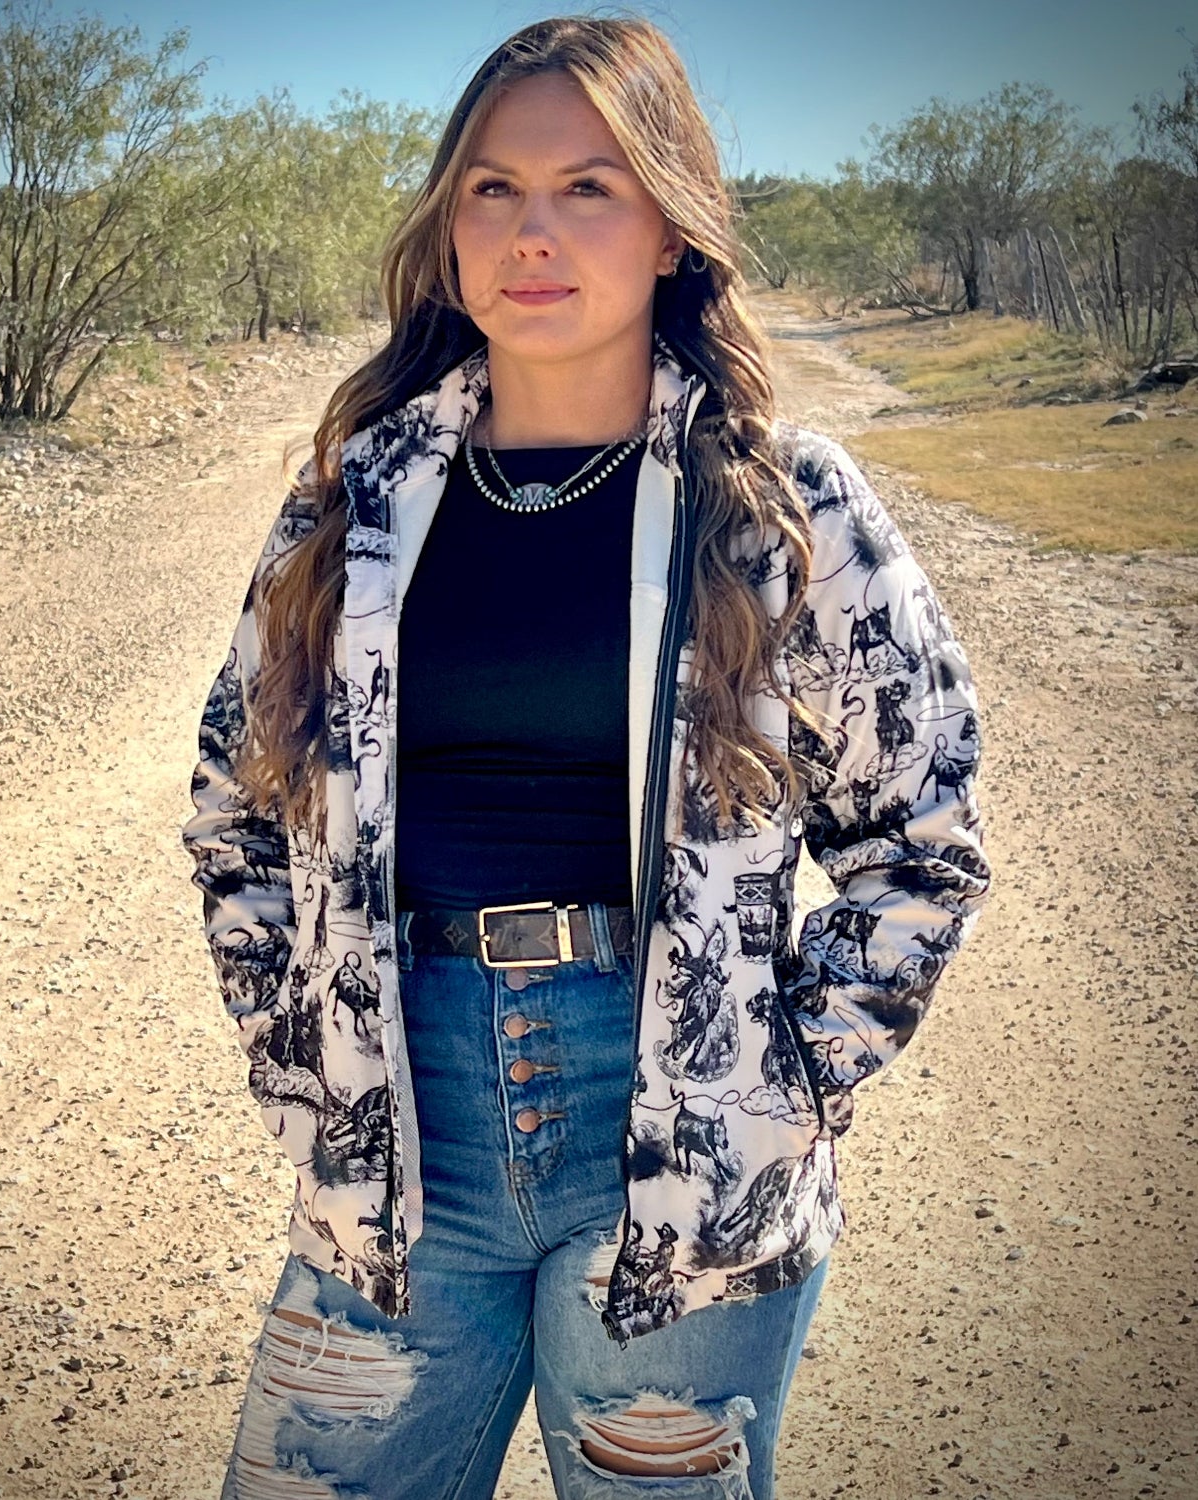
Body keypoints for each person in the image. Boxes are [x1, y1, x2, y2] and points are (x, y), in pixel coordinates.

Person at [181, 15, 991, 1499]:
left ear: (672, 230)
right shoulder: (356, 500)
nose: (532, 233)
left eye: (588, 188)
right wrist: (297, 1054)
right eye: (492, 188)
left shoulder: (781, 506)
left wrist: (776, 1080)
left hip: (676, 1146)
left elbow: (922, 834)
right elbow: (235, 807)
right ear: (448, 229)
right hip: (400, 1131)